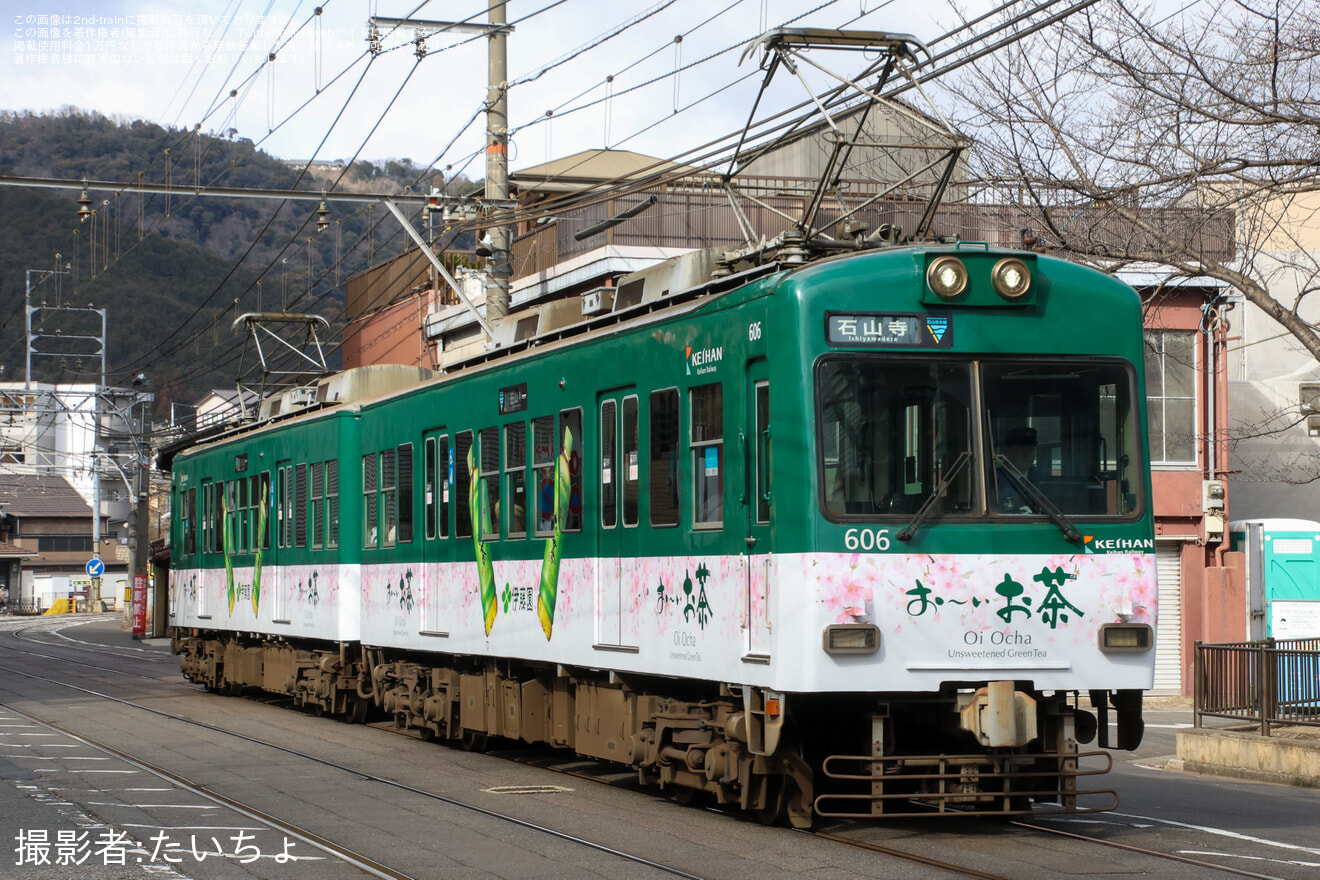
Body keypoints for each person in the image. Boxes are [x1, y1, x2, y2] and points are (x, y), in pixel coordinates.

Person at [995, 426, 1037, 512]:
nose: (1027, 454)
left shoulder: (1043, 479)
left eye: (1031, 449)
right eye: (1022, 449)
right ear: (1007, 452)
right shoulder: (993, 479)